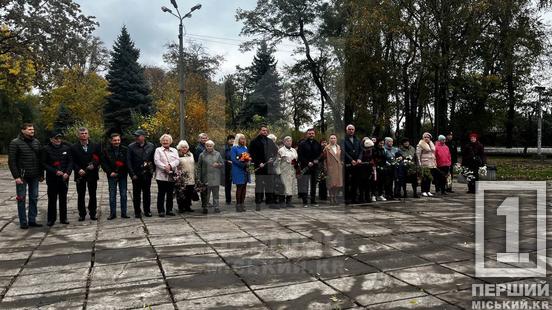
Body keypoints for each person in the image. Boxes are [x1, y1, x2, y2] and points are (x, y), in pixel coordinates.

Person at [8, 123, 43, 229]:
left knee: (34, 198)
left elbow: (40, 160)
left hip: (35, 176)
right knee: (21, 199)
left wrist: (41, 174)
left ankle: (32, 220)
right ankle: (23, 222)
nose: (32, 131)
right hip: (22, 177)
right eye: (29, 129)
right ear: (23, 130)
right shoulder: (15, 143)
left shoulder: (36, 142)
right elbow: (11, 161)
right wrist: (16, 177)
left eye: (33, 129)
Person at [42, 131, 72, 226]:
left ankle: (63, 218)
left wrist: (67, 173)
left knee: (63, 199)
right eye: (56, 138)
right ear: (51, 139)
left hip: (64, 178)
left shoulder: (66, 148)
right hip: (52, 179)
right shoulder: (46, 149)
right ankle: (51, 219)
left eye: (59, 138)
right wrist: (55, 171)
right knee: (52, 199)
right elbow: (43, 163)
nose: (58, 140)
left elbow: (70, 162)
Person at [71, 127, 100, 222]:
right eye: (82, 133)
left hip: (92, 174)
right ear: (78, 135)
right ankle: (82, 214)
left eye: (85, 133)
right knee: (81, 195)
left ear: (88, 134)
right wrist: (78, 169)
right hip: (80, 174)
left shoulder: (95, 146)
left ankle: (92, 213)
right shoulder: (74, 147)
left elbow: (98, 158)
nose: (84, 135)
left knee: (93, 194)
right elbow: (72, 161)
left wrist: (94, 165)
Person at [248, 125, 278, 211]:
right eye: (263, 130)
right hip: (259, 167)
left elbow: (275, 152)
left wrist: (273, 158)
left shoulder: (270, 141)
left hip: (269, 166)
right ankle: (258, 203)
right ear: (259, 131)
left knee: (270, 185)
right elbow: (252, 154)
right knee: (259, 186)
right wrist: (258, 163)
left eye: (266, 130)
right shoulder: (254, 141)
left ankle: (270, 202)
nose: (264, 132)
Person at [127, 129, 155, 218]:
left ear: (143, 136)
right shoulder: (131, 146)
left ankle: (147, 211)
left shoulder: (151, 146)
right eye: (135, 136)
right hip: (136, 174)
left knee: (147, 193)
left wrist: (152, 170)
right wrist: (132, 174)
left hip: (147, 174)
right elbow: (128, 161)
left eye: (138, 136)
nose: (136, 137)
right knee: (136, 194)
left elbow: (154, 159)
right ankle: (137, 212)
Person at [101, 133, 129, 220]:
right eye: (115, 140)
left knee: (123, 195)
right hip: (111, 175)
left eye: (118, 140)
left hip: (122, 175)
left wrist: (121, 172)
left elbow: (127, 162)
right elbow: (104, 163)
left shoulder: (125, 149)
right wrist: (110, 172)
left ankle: (124, 213)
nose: (117, 142)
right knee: (112, 195)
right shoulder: (106, 150)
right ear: (111, 141)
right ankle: (112, 214)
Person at [154, 134, 179, 217]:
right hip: (161, 175)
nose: (165, 142)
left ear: (170, 142)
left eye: (167, 140)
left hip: (171, 175)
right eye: (163, 140)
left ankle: (169, 210)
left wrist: (170, 166)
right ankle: (161, 210)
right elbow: (156, 161)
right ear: (161, 141)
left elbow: (177, 160)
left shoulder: (174, 150)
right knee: (161, 193)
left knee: (170, 193)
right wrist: (165, 167)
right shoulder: (158, 150)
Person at [297, 128, 322, 208]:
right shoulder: (302, 144)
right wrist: (308, 162)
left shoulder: (317, 144)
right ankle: (305, 201)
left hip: (314, 167)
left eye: (312, 133)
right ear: (307, 134)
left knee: (313, 184)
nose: (311, 135)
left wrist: (316, 160)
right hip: (305, 166)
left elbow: (320, 155)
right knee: (305, 184)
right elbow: (300, 156)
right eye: (309, 133)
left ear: (314, 134)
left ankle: (313, 200)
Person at [198, 140, 224, 214]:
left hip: (215, 176)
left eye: (210, 146)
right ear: (205, 146)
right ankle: (205, 207)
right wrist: (199, 177)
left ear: (213, 146)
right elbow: (199, 167)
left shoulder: (217, 154)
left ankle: (216, 207)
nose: (209, 147)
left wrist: (218, 165)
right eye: (207, 146)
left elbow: (222, 164)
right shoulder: (201, 155)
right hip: (205, 177)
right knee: (206, 194)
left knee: (216, 194)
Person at [342, 124, 361, 204]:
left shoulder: (357, 139)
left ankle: (354, 198)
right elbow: (343, 151)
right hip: (348, 164)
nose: (351, 131)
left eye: (352, 129)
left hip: (356, 164)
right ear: (346, 130)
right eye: (349, 129)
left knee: (355, 181)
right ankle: (346, 198)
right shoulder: (343, 140)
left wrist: (359, 158)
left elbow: (361, 150)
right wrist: (351, 160)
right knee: (346, 182)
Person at [231, 133, 250, 212]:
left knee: (244, 186)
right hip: (238, 169)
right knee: (239, 186)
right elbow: (233, 159)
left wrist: (248, 162)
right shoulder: (234, 148)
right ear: (238, 139)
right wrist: (242, 164)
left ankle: (242, 203)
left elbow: (248, 157)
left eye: (244, 139)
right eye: (241, 139)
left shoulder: (245, 148)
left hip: (245, 170)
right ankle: (238, 204)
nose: (243, 140)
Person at [175, 140, 195, 213]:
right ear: (179, 148)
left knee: (189, 192)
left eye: (186, 147)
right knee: (181, 192)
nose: (184, 148)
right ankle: (181, 207)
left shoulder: (191, 154)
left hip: (191, 176)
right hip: (181, 177)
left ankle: (188, 206)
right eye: (182, 147)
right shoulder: (177, 155)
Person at [278, 136, 298, 208]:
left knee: (291, 185)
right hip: (284, 170)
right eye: (287, 141)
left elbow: (296, 159)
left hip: (292, 170)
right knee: (283, 185)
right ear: (284, 142)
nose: (289, 142)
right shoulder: (281, 150)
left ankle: (289, 201)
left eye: (290, 141)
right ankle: (282, 201)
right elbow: (278, 161)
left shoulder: (294, 150)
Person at [324, 134, 344, 204]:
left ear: (336, 139)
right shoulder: (327, 148)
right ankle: (331, 197)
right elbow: (324, 159)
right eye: (331, 138)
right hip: (330, 167)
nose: (333, 139)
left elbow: (340, 156)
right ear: (329, 139)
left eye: (334, 138)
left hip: (338, 167)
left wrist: (341, 162)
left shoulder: (338, 147)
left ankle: (335, 196)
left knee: (337, 184)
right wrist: (325, 167)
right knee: (331, 184)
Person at [416, 132, 437, 197]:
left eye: (428, 137)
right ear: (423, 138)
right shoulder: (420, 145)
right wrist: (419, 163)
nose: (426, 138)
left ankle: (428, 191)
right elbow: (418, 154)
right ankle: (423, 191)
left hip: (431, 163)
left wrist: (435, 162)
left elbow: (433, 154)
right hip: (424, 163)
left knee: (429, 178)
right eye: (425, 137)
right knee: (424, 178)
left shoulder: (431, 144)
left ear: (430, 138)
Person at [358, 137, 374, 203]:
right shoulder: (362, 151)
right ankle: (361, 197)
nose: (370, 148)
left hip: (368, 169)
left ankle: (367, 197)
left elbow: (372, 159)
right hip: (362, 169)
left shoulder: (371, 151)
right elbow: (360, 158)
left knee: (368, 184)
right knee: (362, 184)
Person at [224, 135, 235, 206]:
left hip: (236, 168)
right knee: (228, 185)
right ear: (227, 140)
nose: (232, 141)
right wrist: (227, 161)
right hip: (227, 169)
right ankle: (228, 200)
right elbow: (221, 158)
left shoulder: (236, 148)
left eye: (233, 139)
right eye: (230, 139)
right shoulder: (225, 148)